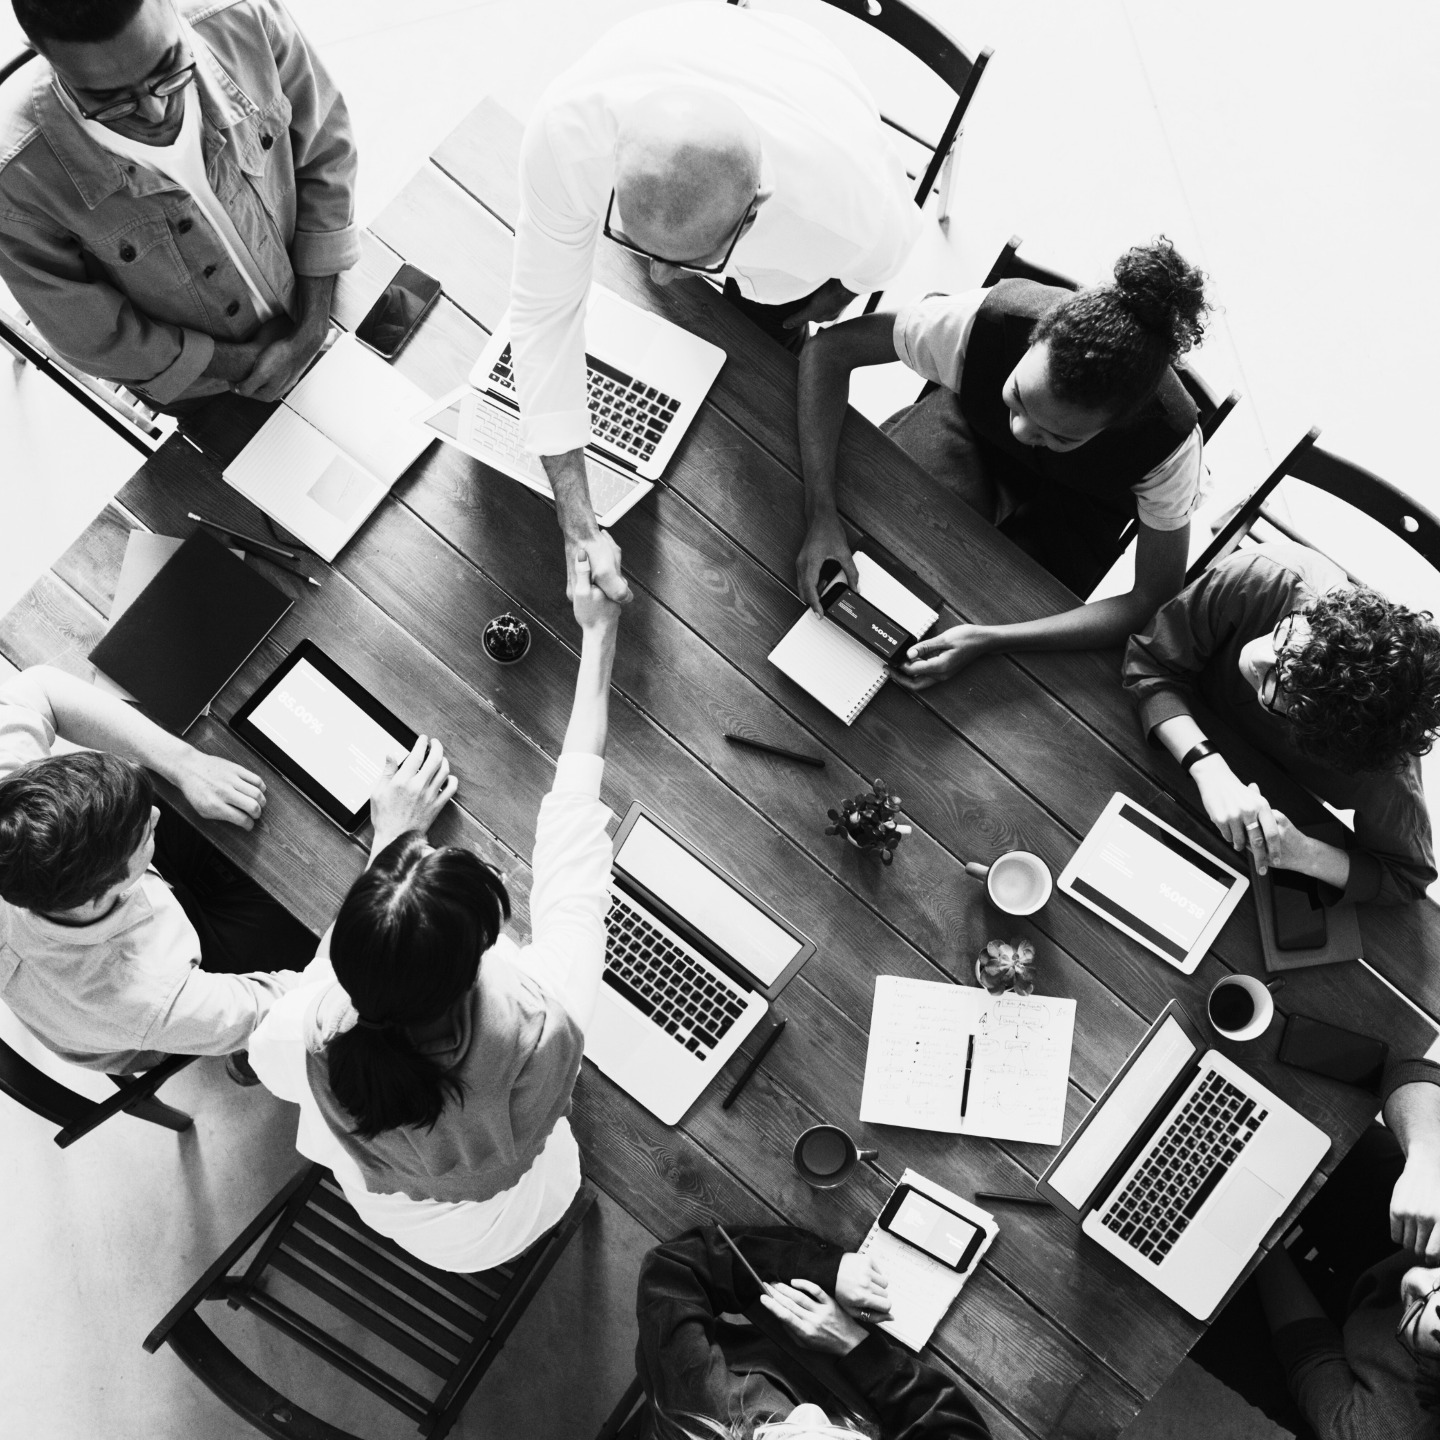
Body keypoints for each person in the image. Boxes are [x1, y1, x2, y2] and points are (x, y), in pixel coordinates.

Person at [248, 561, 620, 1271]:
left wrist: (388, 846)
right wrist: (600, 638)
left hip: (414, 1225)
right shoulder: (545, 1013)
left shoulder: (305, 1031)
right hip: (518, 1212)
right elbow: (575, 838)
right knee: (559, 1151)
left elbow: (287, 1043)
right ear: (482, 955)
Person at [511, 0, 923, 608]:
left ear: (757, 207)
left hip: (813, 108)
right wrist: (577, 517)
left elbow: (878, 264)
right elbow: (543, 315)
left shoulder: (850, 217)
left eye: (686, 262)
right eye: (633, 242)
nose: (658, 277)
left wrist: (834, 293)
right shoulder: (565, 134)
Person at [796, 238, 1211, 686]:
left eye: (1059, 434)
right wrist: (820, 514)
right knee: (882, 538)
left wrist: (990, 639)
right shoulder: (982, 322)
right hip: (972, 432)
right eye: (1018, 397)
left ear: (1119, 425)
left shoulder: (1170, 446)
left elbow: (1151, 598)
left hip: (1082, 506)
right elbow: (828, 352)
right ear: (1034, 339)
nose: (1022, 432)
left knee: (1002, 622)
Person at [0, 0, 358, 413]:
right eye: (109, 100)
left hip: (326, 299)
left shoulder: (243, 16)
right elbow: (92, 336)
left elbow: (327, 151)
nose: (156, 111)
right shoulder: (15, 181)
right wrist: (244, 365)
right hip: (206, 393)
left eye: (168, 67)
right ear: (39, 51)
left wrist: (312, 326)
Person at [0, 664, 314, 1075]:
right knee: (306, 932)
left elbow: (37, 686)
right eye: (142, 834)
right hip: (139, 1025)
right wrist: (391, 846)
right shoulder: (149, 996)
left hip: (88, 940)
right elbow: (296, 1008)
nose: (153, 816)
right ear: (108, 888)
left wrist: (185, 764)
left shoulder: (12, 805)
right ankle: (243, 1060)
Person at [1122, 543, 1440, 905]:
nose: (1259, 657)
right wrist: (1209, 768)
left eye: (1277, 689)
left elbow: (1406, 878)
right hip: (1153, 745)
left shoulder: (1382, 763)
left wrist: (1304, 853)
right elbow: (1149, 660)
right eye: (1287, 639)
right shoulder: (1263, 577)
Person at [1192, 1055, 1440, 1439]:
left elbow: (1308, 1350)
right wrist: (1428, 1157)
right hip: (1390, 1239)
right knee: (1306, 1121)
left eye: (1418, 1313)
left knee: (1187, 1304)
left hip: (1345, 1369)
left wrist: (1257, 1232)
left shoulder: (1381, 1430)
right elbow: (1409, 1071)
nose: (1424, 1286)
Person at [634, 1223, 991, 1439]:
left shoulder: (701, 1408)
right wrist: (855, 1345)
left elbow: (673, 1272)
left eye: (776, 1436)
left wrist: (825, 1269)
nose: (810, 1413)